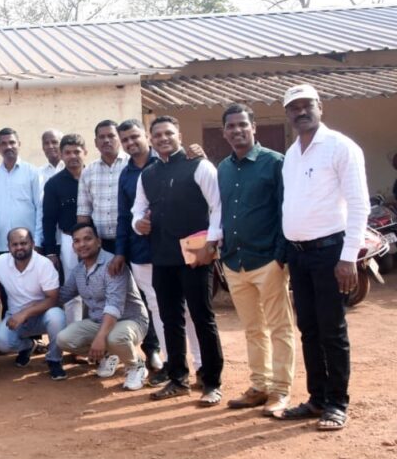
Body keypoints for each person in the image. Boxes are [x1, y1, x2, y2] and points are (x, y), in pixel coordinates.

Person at [275, 84, 369, 431]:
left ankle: (336, 403)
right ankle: (316, 398)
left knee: (332, 330)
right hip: (299, 255)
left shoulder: (341, 148)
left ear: (320, 107)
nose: (301, 112)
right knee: (309, 329)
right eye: (293, 107)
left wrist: (348, 258)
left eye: (306, 105)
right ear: (287, 114)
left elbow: (359, 205)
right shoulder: (294, 154)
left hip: (331, 253)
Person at [132, 115, 225, 406]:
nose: (162, 138)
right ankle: (178, 378)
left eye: (168, 133)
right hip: (162, 256)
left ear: (179, 135)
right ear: (151, 139)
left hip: (196, 255)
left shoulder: (199, 166)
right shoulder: (147, 175)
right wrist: (139, 224)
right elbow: (137, 211)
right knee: (169, 319)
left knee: (201, 317)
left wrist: (211, 245)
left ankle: (211, 381)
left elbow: (217, 207)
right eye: (157, 134)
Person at [214, 104, 296, 416]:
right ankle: (259, 386)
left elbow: (284, 212)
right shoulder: (222, 168)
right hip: (235, 262)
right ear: (224, 132)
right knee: (252, 329)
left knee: (279, 328)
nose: (236, 131)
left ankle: (280, 390)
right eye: (230, 127)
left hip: (267, 261)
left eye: (242, 125)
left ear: (254, 127)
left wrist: (279, 257)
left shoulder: (275, 163)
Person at [112, 120, 201, 386]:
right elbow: (125, 216)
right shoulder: (126, 175)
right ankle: (174, 365)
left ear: (146, 137)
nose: (130, 143)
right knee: (158, 310)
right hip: (142, 254)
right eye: (125, 139)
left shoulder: (176, 159)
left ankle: (201, 365)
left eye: (134, 137)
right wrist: (121, 251)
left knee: (188, 309)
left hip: (178, 250)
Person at [54, 223, 151, 391]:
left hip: (130, 321)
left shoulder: (114, 265)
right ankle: (110, 353)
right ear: (73, 246)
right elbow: (62, 295)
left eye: (87, 239)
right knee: (64, 339)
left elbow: (114, 306)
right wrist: (33, 305)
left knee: (115, 337)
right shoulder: (78, 270)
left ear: (98, 241)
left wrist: (100, 338)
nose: (82, 244)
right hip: (98, 322)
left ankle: (136, 365)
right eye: (77, 241)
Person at [0, 228, 66, 380]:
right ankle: (28, 346)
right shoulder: (0, 263)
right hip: (15, 317)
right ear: (8, 246)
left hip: (42, 315)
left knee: (57, 316)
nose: (19, 247)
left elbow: (53, 299)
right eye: (15, 244)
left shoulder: (43, 264)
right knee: (2, 342)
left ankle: (54, 360)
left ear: (32, 243)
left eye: (23, 243)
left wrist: (24, 313)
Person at [42, 134, 88, 323]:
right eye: (67, 152)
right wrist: (51, 252)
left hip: (97, 239)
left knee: (101, 287)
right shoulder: (54, 183)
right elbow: (49, 220)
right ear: (61, 155)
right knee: (72, 287)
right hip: (69, 240)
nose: (72, 156)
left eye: (76, 151)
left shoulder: (94, 175)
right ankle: (75, 337)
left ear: (85, 152)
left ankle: (101, 336)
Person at [77, 120, 130, 253]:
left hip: (132, 240)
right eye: (102, 137)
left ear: (119, 139)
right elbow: (84, 212)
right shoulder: (88, 171)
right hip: (102, 244)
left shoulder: (132, 165)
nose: (106, 140)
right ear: (95, 142)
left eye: (111, 136)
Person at [0, 128, 43, 255]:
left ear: (19, 144)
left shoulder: (33, 172)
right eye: (3, 143)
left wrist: (38, 241)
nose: (8, 146)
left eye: (12, 142)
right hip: (1, 244)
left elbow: (40, 207)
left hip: (28, 244)